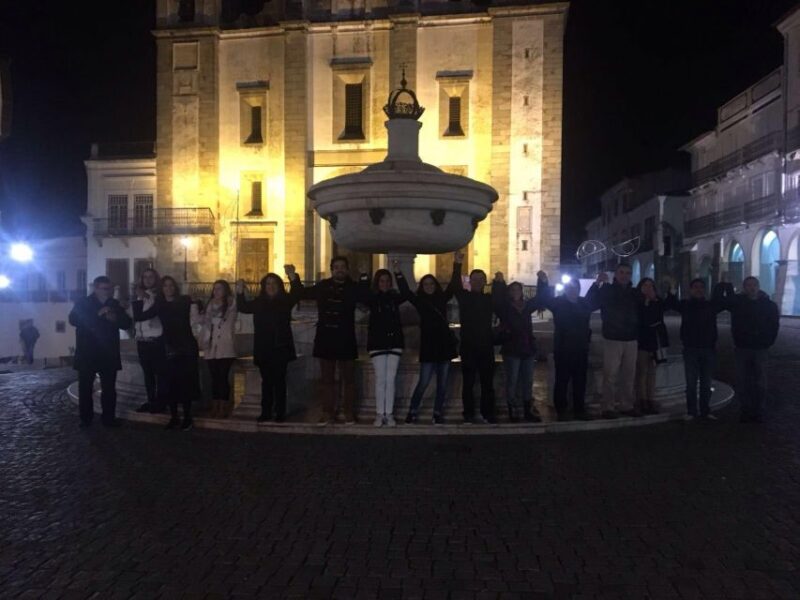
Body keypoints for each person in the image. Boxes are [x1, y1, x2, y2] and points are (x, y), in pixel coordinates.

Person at [297, 256, 363, 425]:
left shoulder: (354, 287)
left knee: (349, 379)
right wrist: (293, 278)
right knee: (327, 380)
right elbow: (304, 293)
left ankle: (348, 412)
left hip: (346, 338)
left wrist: (364, 278)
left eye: (342, 267)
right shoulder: (323, 286)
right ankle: (328, 413)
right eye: (336, 267)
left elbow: (367, 297)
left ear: (347, 269)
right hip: (326, 337)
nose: (340, 269)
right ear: (332, 270)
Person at [133, 276, 200, 431]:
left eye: (171, 285)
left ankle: (187, 418)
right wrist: (139, 298)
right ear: (161, 289)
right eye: (165, 286)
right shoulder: (160, 305)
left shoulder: (184, 300)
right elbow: (139, 316)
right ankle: (174, 417)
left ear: (175, 287)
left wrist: (197, 302)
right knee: (171, 383)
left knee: (186, 384)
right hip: (170, 348)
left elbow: (198, 312)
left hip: (186, 347)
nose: (168, 288)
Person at [236, 267, 302, 423]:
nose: (271, 286)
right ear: (264, 286)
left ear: (279, 286)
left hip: (280, 347)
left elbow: (297, 293)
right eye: (268, 284)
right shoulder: (259, 302)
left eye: (274, 283)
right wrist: (239, 292)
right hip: (264, 347)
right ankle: (266, 411)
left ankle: (280, 412)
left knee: (279, 380)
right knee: (266, 381)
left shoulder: (285, 301)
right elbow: (243, 307)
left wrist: (292, 277)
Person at [69, 275, 132, 428]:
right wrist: (97, 314)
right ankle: (86, 419)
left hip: (108, 352)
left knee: (109, 388)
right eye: (105, 289)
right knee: (85, 387)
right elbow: (73, 320)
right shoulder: (83, 302)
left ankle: (108, 419)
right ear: (96, 288)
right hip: (87, 352)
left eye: (109, 288)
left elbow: (127, 323)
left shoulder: (114, 304)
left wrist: (115, 319)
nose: (108, 291)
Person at [396, 267, 458, 425]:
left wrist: (457, 264)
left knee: (442, 385)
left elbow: (453, 285)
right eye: (426, 284)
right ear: (422, 287)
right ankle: (412, 411)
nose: (429, 286)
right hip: (429, 347)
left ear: (435, 285)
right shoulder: (420, 301)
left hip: (444, 347)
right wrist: (398, 273)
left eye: (431, 284)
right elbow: (406, 292)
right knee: (423, 383)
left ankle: (437, 412)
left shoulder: (442, 298)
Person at [715, 276, 780, 423]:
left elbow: (774, 324)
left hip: (760, 347)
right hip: (742, 347)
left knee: (760, 381)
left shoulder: (769, 305)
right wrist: (726, 285)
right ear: (744, 288)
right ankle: (745, 409)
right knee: (742, 380)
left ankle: (759, 410)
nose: (752, 288)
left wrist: (769, 341)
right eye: (749, 285)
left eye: (754, 285)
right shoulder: (738, 302)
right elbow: (722, 302)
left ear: (758, 286)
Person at [664, 277, 728, 420]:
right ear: (691, 290)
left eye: (701, 287)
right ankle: (691, 411)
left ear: (704, 290)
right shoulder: (685, 304)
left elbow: (724, 302)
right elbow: (670, 303)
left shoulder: (711, 305)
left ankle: (705, 410)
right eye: (695, 287)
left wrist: (723, 285)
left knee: (706, 383)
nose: (698, 290)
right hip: (691, 348)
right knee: (691, 383)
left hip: (708, 348)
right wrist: (672, 289)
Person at [491, 271, 550, 422]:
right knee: (512, 381)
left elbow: (541, 298)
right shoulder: (504, 307)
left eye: (518, 289)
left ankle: (527, 409)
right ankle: (513, 410)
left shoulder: (527, 305)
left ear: (521, 292)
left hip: (527, 348)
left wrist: (543, 282)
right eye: (513, 289)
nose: (516, 292)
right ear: (509, 292)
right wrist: (498, 283)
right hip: (511, 349)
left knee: (528, 381)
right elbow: (496, 300)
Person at [448, 251, 497, 424]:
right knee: (468, 384)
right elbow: (455, 286)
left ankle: (488, 413)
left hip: (486, 347)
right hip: (468, 347)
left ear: (484, 282)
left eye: (480, 279)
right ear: (470, 282)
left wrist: (499, 283)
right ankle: (468, 414)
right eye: (474, 279)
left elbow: (503, 301)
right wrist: (457, 265)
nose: (477, 282)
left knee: (487, 384)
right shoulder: (465, 297)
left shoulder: (489, 299)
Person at [585, 264, 641, 419]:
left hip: (631, 338)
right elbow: (589, 304)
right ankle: (607, 407)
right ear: (615, 274)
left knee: (628, 375)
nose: (624, 276)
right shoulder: (607, 290)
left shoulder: (634, 293)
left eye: (627, 273)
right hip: (613, 338)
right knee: (610, 375)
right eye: (621, 272)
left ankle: (626, 405)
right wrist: (596, 284)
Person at [359, 267, 406, 427]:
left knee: (390, 379)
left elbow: (406, 293)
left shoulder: (395, 298)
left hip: (394, 342)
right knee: (380, 379)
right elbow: (362, 296)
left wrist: (399, 274)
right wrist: (364, 276)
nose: (385, 284)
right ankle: (380, 413)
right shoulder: (373, 299)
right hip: (377, 343)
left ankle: (389, 413)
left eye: (387, 281)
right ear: (377, 283)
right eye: (382, 281)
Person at [543, 278, 593, 421]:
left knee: (580, 381)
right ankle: (561, 410)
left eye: (575, 287)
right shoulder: (558, 302)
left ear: (578, 289)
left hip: (581, 348)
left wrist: (597, 284)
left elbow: (594, 298)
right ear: (565, 289)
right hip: (563, 349)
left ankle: (579, 409)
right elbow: (545, 298)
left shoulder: (583, 303)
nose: (573, 290)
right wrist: (543, 282)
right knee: (562, 381)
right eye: (570, 287)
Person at [130, 268, 167, 414]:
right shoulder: (141, 296)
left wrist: (144, 297)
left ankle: (161, 402)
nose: (147, 280)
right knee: (148, 374)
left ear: (156, 279)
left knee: (160, 374)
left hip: (155, 340)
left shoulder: (159, 297)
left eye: (151, 277)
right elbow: (135, 316)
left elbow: (142, 315)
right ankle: (151, 400)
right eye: (145, 277)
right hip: (142, 341)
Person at [200, 280, 238, 418]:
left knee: (222, 377)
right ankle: (215, 405)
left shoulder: (230, 304)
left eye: (220, 288)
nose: (216, 291)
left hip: (225, 346)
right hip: (211, 347)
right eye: (215, 288)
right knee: (214, 378)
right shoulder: (209, 306)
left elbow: (224, 319)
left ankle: (223, 406)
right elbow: (202, 321)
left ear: (225, 290)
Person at [634, 277, 669, 416]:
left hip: (656, 340)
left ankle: (650, 399)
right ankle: (642, 400)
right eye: (645, 285)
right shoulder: (638, 302)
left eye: (650, 285)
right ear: (641, 288)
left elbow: (660, 315)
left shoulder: (658, 301)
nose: (648, 288)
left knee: (652, 371)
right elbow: (642, 320)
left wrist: (654, 301)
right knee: (642, 371)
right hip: (643, 340)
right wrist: (646, 304)